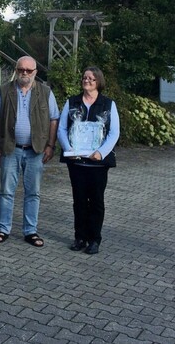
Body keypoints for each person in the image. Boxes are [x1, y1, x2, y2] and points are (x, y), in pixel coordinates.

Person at [0, 56, 59, 247]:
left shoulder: (45, 92)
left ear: (36, 72)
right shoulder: (4, 90)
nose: (25, 73)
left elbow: (54, 119)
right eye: (21, 70)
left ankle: (30, 231)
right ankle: (3, 229)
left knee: (33, 192)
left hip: (35, 150)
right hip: (11, 149)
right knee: (6, 191)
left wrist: (50, 146)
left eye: (29, 70)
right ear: (16, 70)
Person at [57, 67, 120, 255]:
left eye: (91, 79)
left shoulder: (108, 104)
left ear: (98, 82)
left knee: (96, 202)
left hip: (98, 164)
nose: (87, 81)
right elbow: (61, 128)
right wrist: (69, 149)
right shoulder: (72, 102)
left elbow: (114, 132)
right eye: (84, 78)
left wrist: (101, 152)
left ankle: (94, 239)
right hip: (76, 162)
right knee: (79, 201)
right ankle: (80, 237)